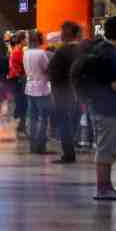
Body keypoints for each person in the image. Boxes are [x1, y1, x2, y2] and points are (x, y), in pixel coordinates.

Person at [77, 15, 116, 201]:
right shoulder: (115, 55)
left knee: (104, 146)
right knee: (106, 148)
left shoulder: (97, 48)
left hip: (96, 103)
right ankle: (103, 188)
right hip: (110, 106)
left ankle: (105, 186)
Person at [47, 21, 83, 163]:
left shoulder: (62, 51)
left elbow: (53, 73)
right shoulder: (82, 50)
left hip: (62, 93)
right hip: (79, 93)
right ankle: (72, 148)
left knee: (64, 123)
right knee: (73, 122)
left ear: (65, 34)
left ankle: (68, 154)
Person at [23, 29, 52, 155]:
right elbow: (47, 69)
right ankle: (41, 146)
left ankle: (32, 146)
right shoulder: (41, 53)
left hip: (29, 87)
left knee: (33, 118)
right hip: (42, 88)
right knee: (43, 118)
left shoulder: (26, 53)